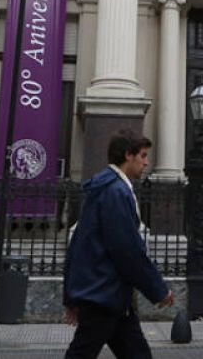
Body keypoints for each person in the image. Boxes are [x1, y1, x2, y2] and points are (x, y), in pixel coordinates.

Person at [62, 130, 174, 359]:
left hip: (110, 297)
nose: (146, 162)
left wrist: (71, 296)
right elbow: (128, 251)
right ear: (128, 155)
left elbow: (78, 245)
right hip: (104, 295)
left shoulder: (104, 188)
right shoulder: (115, 192)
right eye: (142, 155)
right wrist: (158, 289)